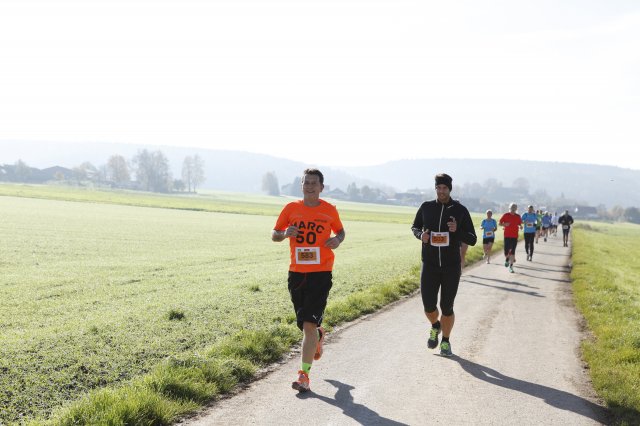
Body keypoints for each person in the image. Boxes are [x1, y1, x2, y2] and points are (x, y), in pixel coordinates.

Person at [272, 168, 346, 392]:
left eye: (314, 183)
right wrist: (285, 234)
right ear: (301, 185)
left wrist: (337, 240)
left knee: (308, 324)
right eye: (306, 182)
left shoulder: (329, 210)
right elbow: (275, 234)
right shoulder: (290, 208)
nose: (310, 186)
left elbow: (341, 232)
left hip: (321, 273)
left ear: (321, 187)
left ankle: (304, 375)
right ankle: (318, 336)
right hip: (297, 274)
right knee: (305, 326)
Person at [411, 173, 477, 357]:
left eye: (444, 188)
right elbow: (415, 227)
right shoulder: (426, 207)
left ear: (450, 189)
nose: (441, 191)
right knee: (428, 306)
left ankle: (446, 341)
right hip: (429, 264)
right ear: (435, 188)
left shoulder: (460, 210)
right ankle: (435, 325)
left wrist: (458, 231)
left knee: (447, 307)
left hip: (451, 266)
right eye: (438, 188)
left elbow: (472, 239)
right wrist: (421, 235)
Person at [499, 203, 523, 272]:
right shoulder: (506, 215)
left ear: (516, 209)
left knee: (512, 251)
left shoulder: (518, 216)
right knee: (506, 251)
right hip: (507, 235)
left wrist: (520, 226)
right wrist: (504, 224)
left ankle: (511, 266)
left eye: (514, 207)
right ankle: (507, 259)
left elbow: (520, 224)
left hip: (515, 236)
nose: (513, 208)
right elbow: (499, 223)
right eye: (512, 207)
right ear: (509, 208)